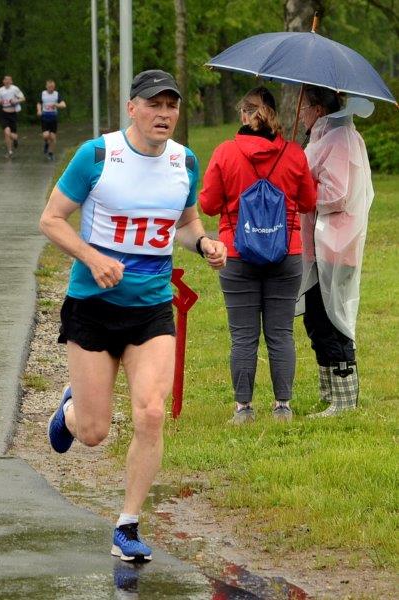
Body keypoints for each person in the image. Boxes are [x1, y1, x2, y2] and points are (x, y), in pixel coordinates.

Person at [39, 69, 227, 562]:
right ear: (132, 108)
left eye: (171, 106)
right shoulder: (97, 156)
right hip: (93, 308)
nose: (164, 114)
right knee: (94, 433)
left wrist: (204, 244)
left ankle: (127, 524)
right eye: (153, 104)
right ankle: (70, 411)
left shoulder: (185, 161)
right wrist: (92, 258)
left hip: (151, 309)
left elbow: (185, 222)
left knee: (150, 412)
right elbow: (51, 219)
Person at [199, 86, 316, 424]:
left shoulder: (225, 152)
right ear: (273, 115)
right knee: (281, 333)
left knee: (243, 336)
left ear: (243, 114)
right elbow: (308, 202)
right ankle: (282, 407)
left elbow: (208, 204)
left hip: (236, 254)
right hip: (286, 253)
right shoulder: (294, 153)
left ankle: (244, 409)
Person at [296, 87, 375, 417]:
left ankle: (344, 399)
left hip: (335, 244)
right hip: (319, 245)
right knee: (316, 317)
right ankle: (329, 390)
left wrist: (303, 189)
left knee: (332, 320)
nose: (300, 113)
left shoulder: (340, 139)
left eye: (304, 107)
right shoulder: (323, 137)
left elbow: (337, 194)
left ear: (317, 109)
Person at [36, 79, 66, 161]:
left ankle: (51, 153)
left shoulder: (57, 94)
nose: (51, 88)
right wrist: (39, 110)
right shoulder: (43, 94)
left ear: (54, 87)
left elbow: (63, 105)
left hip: (53, 117)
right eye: (49, 87)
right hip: (45, 117)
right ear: (46, 86)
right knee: (46, 135)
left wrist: (56, 105)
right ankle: (46, 142)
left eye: (52, 87)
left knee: (53, 137)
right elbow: (39, 103)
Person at [0, 75, 25, 158]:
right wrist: (0, 101)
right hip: (4, 113)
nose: (7, 81)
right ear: (3, 81)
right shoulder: (0, 90)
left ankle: (15, 139)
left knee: (12, 134)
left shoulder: (15, 89)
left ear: (11, 81)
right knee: (6, 132)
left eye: (9, 80)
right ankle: (10, 151)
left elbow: (23, 98)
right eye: (5, 80)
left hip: (13, 114)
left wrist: (15, 100)